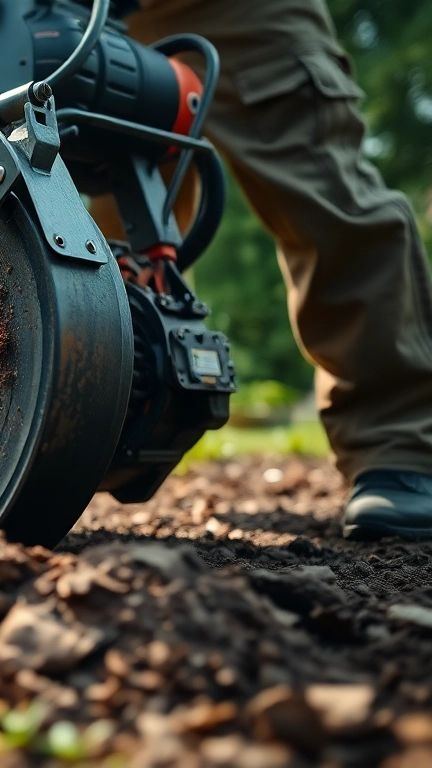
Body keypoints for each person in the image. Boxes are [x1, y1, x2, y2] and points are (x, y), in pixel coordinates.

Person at [106, 0, 432, 540]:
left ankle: (399, 445)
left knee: (326, 199)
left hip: (241, 11)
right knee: (80, 239)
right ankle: (59, 443)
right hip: (69, 14)